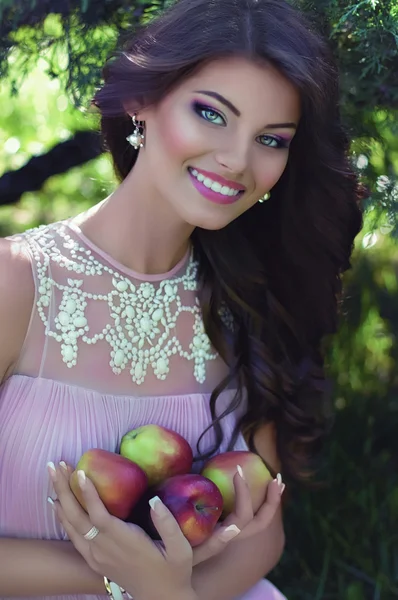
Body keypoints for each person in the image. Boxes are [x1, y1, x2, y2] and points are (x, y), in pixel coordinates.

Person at [0, 0, 364, 598]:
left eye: (271, 139)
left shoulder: (247, 297)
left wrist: (171, 593)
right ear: (142, 100)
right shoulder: (17, 283)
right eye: (211, 113)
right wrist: (129, 578)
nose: (237, 160)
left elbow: (262, 532)